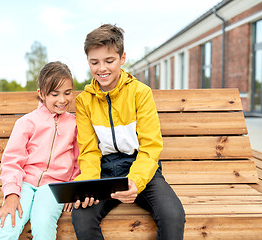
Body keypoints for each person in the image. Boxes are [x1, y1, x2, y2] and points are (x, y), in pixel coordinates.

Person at [71, 24, 186, 240]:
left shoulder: (141, 93)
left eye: (109, 61)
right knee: (82, 216)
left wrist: (135, 181)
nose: (101, 68)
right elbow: (88, 151)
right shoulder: (84, 101)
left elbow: (151, 147)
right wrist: (88, 183)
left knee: (173, 215)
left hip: (141, 168)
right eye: (94, 62)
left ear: (122, 58)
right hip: (103, 173)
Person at [0, 61, 80, 240]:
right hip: (23, 184)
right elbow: (12, 161)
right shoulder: (27, 123)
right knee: (8, 223)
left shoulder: (75, 124)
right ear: (41, 94)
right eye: (54, 94)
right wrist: (11, 194)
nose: (62, 99)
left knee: (43, 222)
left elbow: (79, 161)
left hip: (55, 187)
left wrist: (73, 189)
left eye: (67, 92)